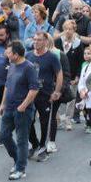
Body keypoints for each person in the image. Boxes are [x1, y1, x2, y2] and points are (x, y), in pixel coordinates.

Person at [0, 40, 38, 180]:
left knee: (22, 139)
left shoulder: (29, 67)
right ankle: (17, 159)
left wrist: (24, 105)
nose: (6, 55)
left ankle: (21, 169)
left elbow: (34, 89)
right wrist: (2, 104)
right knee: (3, 135)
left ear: (15, 54)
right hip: (9, 107)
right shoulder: (12, 66)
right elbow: (7, 86)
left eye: (9, 53)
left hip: (22, 110)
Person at [26, 31, 62, 162]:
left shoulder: (52, 57)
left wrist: (56, 91)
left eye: (39, 40)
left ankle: (43, 147)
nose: (36, 42)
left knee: (44, 121)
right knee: (28, 120)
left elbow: (59, 74)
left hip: (45, 94)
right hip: (30, 94)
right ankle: (34, 143)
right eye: (34, 39)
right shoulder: (28, 55)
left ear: (45, 41)